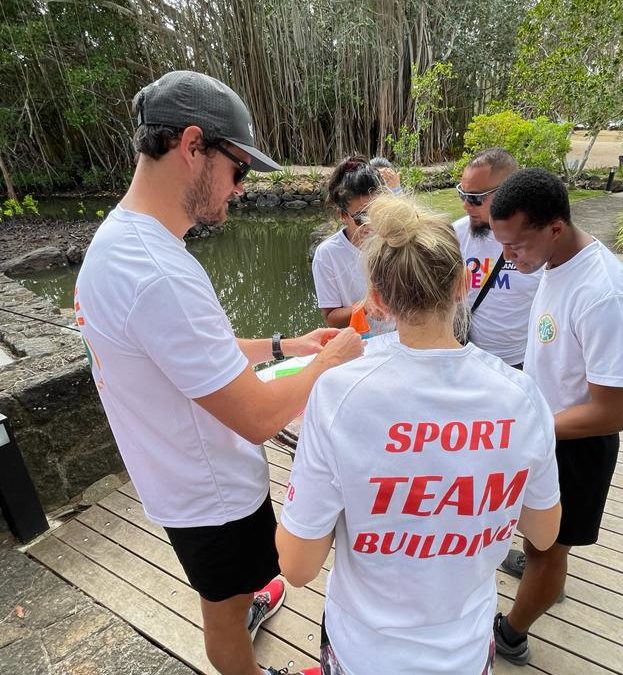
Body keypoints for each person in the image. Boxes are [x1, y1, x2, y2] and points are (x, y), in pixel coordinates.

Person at [74, 70, 362, 675]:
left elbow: (191, 349)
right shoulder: (161, 273)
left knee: (232, 589)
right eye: (239, 169)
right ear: (193, 145)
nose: (239, 188)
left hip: (172, 475)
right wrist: (332, 358)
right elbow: (257, 418)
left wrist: (287, 345)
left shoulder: (118, 243)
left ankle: (245, 597)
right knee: (222, 617)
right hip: (211, 494)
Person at [276, 193, 562, 674]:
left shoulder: (339, 394)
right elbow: (543, 530)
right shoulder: (521, 396)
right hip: (466, 652)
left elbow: (297, 567)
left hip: (363, 652)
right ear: (459, 286)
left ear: (379, 299)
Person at [488, 168, 623, 665]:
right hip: (545, 433)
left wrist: (528, 426)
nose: (506, 257)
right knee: (540, 537)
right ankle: (540, 566)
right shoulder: (555, 264)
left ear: (554, 228)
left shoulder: (606, 294)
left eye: (516, 246)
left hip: (575, 446)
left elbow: (611, 412)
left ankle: (512, 632)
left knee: (550, 551)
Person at [453, 148, 541, 367]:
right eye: (462, 194)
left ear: (509, 193)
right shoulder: (456, 235)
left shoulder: (539, 243)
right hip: (467, 357)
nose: (465, 205)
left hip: (518, 363)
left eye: (475, 198)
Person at [311, 156, 395, 335]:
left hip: (399, 338)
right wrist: (365, 306)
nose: (370, 224)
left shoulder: (394, 240)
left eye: (377, 213)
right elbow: (331, 317)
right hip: (359, 344)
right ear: (342, 215)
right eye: (361, 217)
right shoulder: (328, 254)